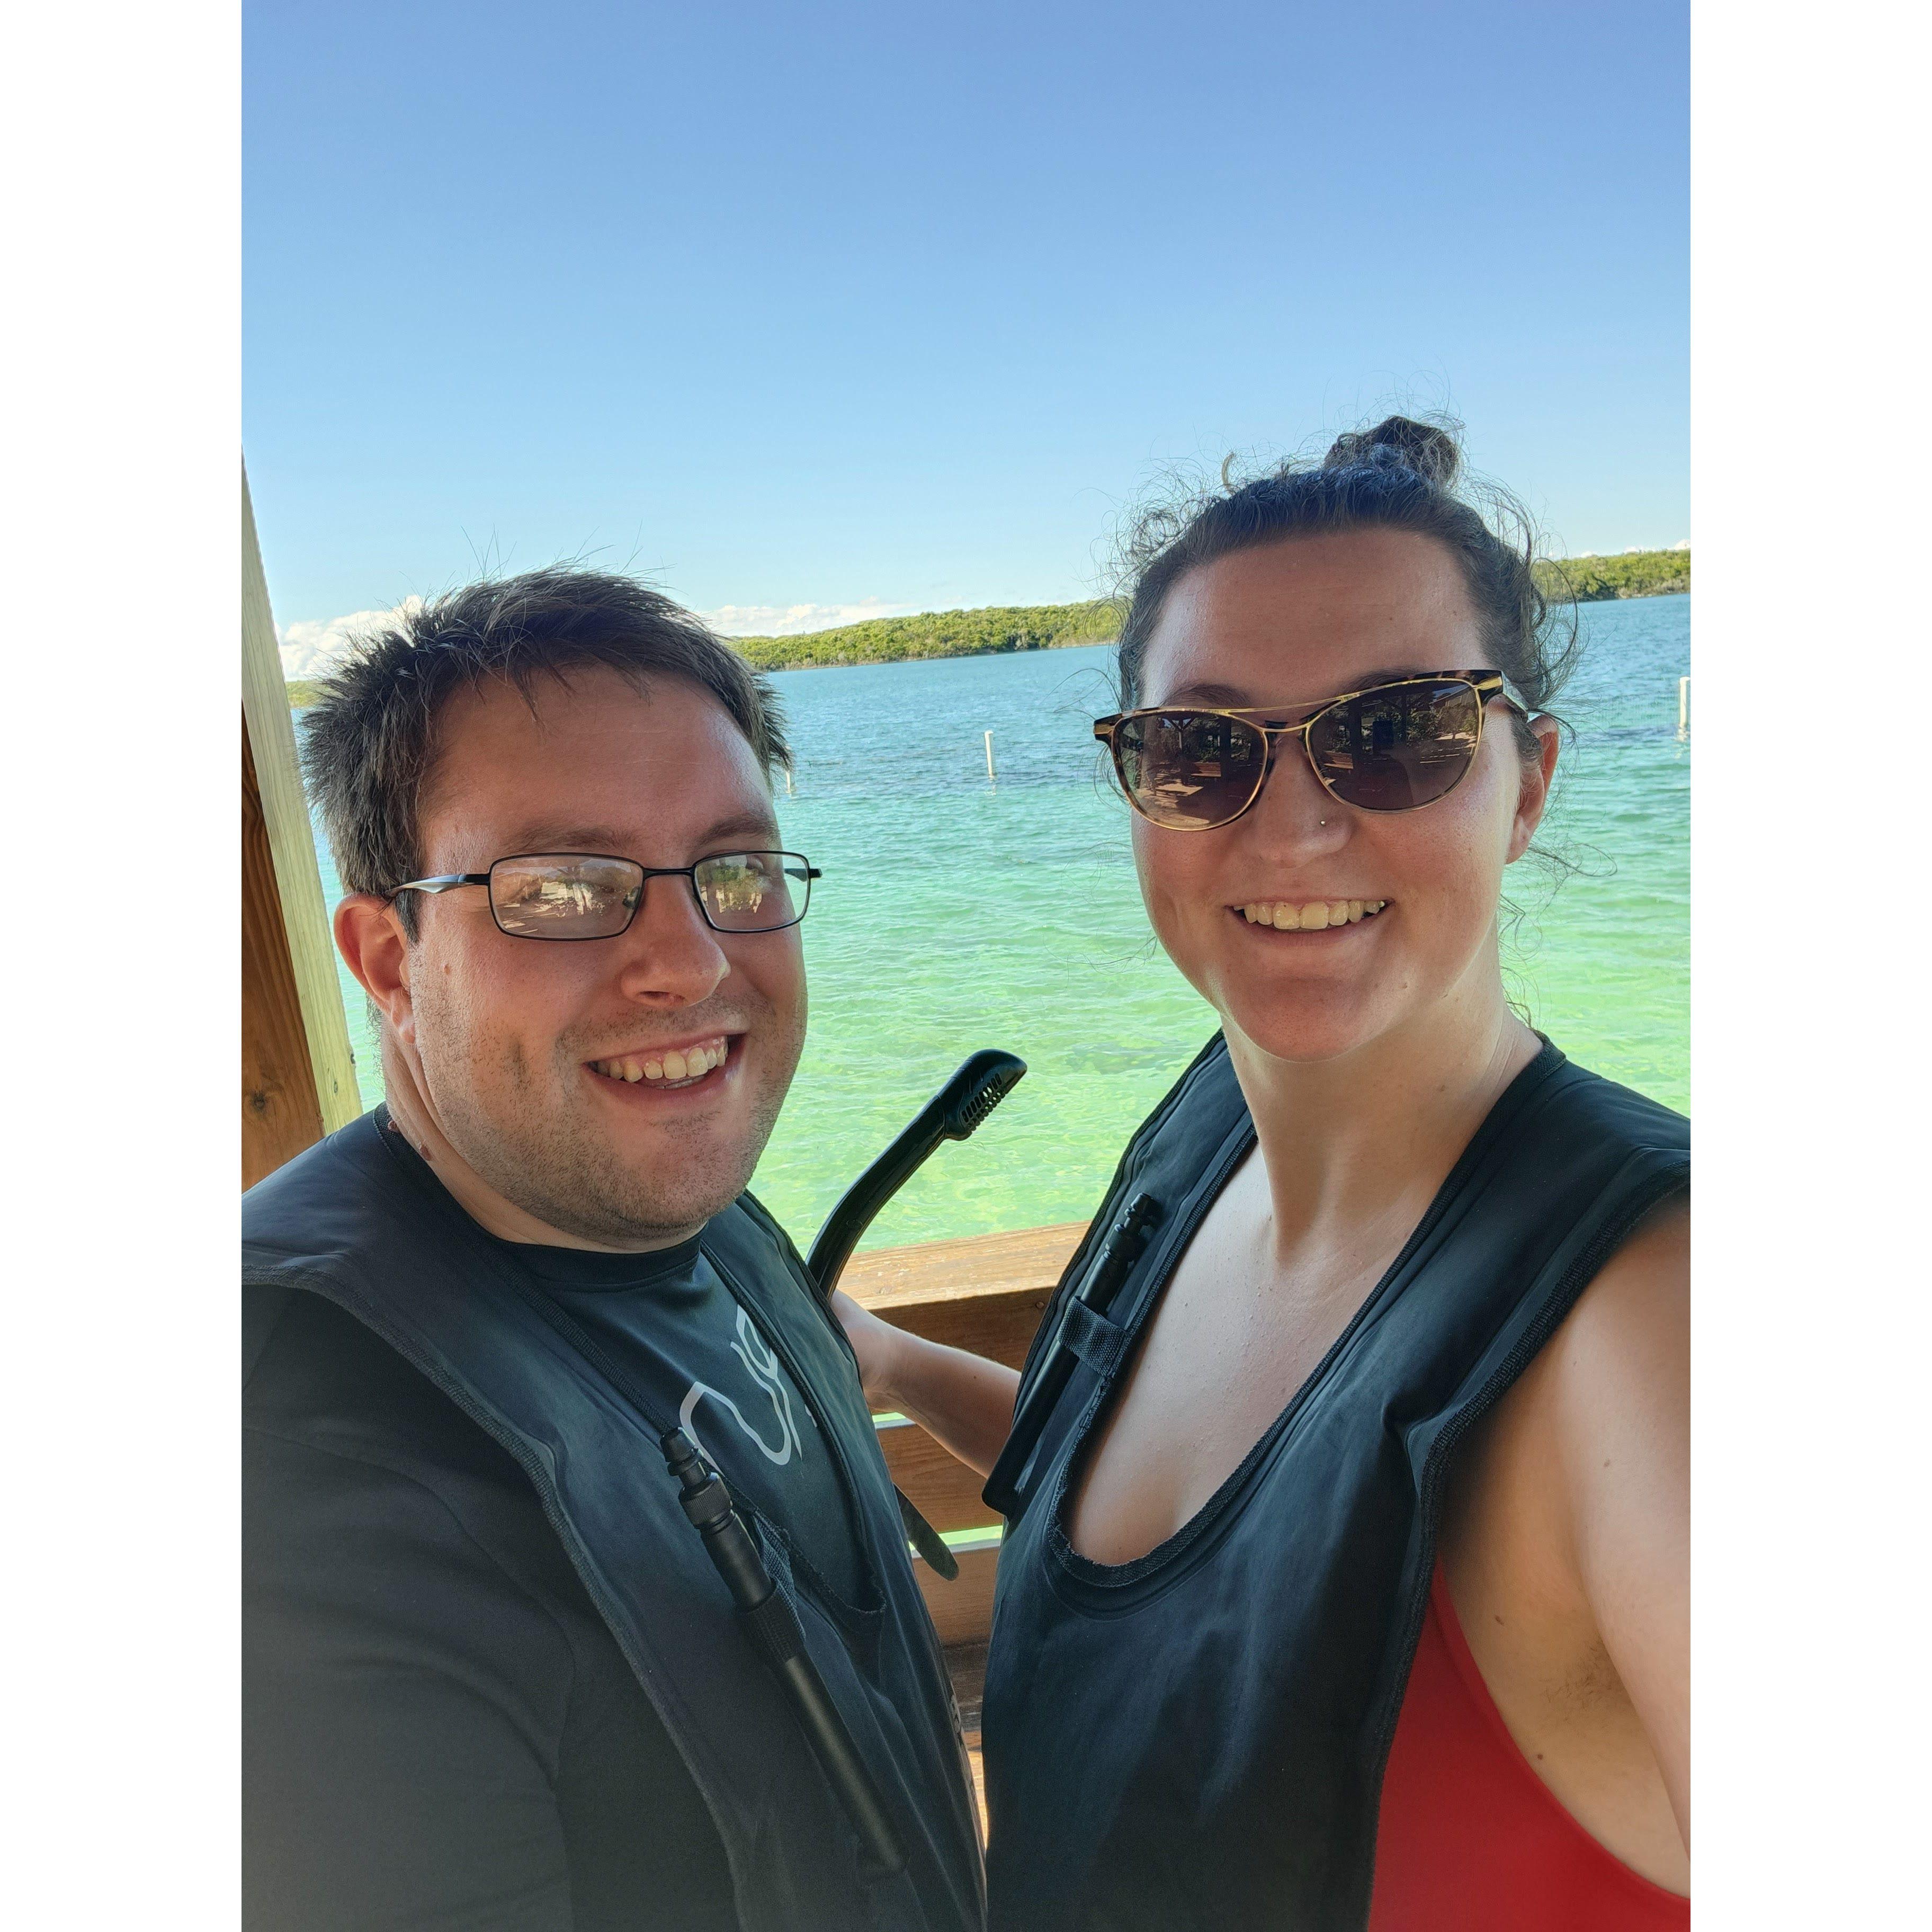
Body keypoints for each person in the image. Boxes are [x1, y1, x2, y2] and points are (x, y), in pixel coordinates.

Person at [834, 419, 1689, 1930]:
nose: (1291, 830)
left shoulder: (1649, 1302)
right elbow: (1154, 1511)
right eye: (1202, 748)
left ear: (1529, 784)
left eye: (1400, 731)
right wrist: (892, 1359)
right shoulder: (1205, 1137)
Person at [244, 569, 984, 1932]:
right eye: (563, 888)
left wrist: (880, 1355)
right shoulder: (298, 1470)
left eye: (734, 870)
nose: (690, 964)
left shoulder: (681, 1206)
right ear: (390, 961)